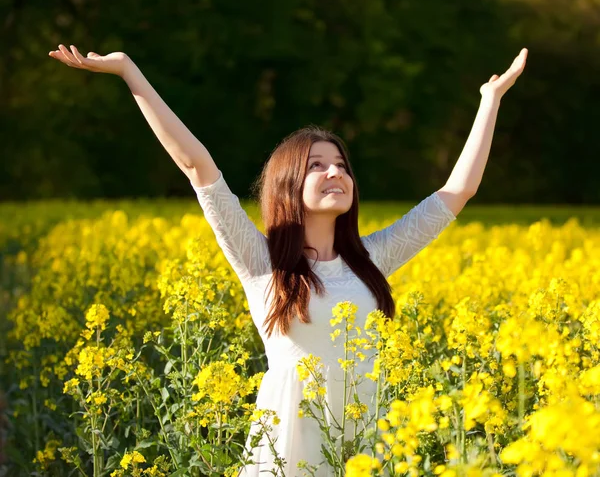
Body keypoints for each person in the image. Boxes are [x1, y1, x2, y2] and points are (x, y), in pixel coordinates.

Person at [48, 44, 528, 476]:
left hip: (365, 443)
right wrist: (130, 71)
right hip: (287, 445)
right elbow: (196, 165)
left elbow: (457, 192)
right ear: (287, 184)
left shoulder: (374, 258)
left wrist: (490, 100)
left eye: (341, 164)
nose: (334, 171)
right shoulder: (261, 261)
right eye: (316, 165)